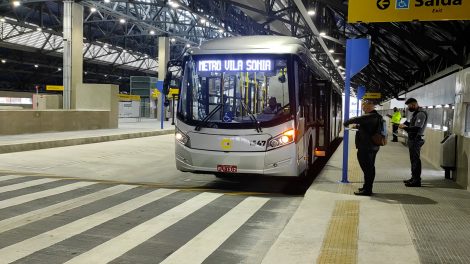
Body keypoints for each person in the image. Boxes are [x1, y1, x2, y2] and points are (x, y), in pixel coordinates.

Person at [343, 100, 382, 196]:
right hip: (372, 146)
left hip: (367, 147)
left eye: (364, 106)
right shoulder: (376, 116)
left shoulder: (370, 116)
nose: (363, 108)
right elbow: (366, 125)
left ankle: (368, 190)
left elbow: (354, 119)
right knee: (369, 168)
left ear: (370, 107)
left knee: (367, 169)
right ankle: (366, 187)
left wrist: (345, 123)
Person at [399, 98, 428, 187]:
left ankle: (416, 180)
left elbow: (417, 128)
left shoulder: (421, 114)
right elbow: (412, 125)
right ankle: (413, 177)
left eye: (409, 106)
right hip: (413, 139)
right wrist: (406, 124)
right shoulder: (416, 113)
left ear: (414, 104)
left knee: (415, 160)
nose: (408, 108)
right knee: (413, 159)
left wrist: (404, 127)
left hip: (416, 139)